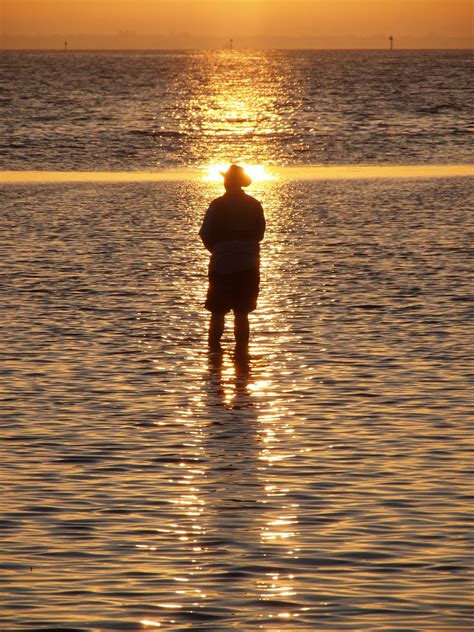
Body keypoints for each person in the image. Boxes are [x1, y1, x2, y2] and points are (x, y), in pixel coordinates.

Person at [199, 164, 265, 353]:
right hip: (248, 265)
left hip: (222, 265)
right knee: (242, 314)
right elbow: (260, 234)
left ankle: (213, 357)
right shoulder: (254, 204)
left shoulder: (217, 204)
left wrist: (218, 250)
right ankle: (242, 357)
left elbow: (205, 234)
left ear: (227, 182)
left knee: (217, 313)